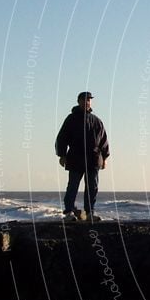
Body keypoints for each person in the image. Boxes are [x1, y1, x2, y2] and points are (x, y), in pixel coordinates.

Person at [55, 91, 110, 222]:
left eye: (89, 100)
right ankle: (69, 212)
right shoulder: (71, 119)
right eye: (84, 100)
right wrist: (62, 155)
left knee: (92, 187)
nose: (87, 102)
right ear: (78, 101)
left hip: (94, 158)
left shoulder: (96, 121)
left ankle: (90, 212)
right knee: (73, 185)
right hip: (75, 157)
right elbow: (62, 138)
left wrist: (105, 158)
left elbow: (103, 140)